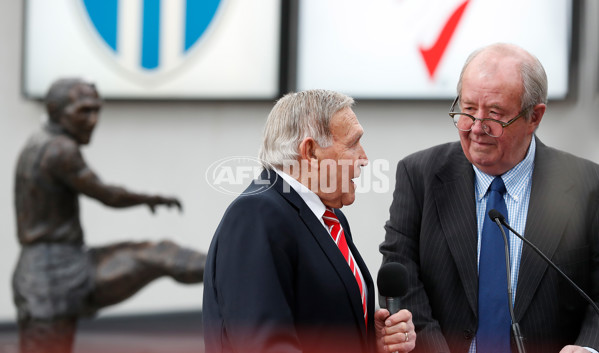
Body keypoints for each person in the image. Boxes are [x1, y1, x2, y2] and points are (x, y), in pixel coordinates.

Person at [380, 42, 599, 353]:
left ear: (534, 117)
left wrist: (589, 348)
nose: (477, 128)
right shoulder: (420, 176)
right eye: (468, 110)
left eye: (495, 115)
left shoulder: (587, 186)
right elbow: (402, 278)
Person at [203, 89, 416, 353]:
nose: (364, 158)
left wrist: (372, 340)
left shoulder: (330, 217)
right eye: (353, 143)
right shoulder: (256, 214)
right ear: (311, 152)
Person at [13, 78, 207, 353]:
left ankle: (230, 267)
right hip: (52, 275)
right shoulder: (59, 150)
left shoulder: (39, 142)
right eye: (84, 111)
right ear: (56, 110)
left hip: (57, 266)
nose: (93, 120)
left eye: (96, 111)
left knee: (162, 253)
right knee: (161, 255)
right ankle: (236, 268)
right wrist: (149, 199)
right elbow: (107, 195)